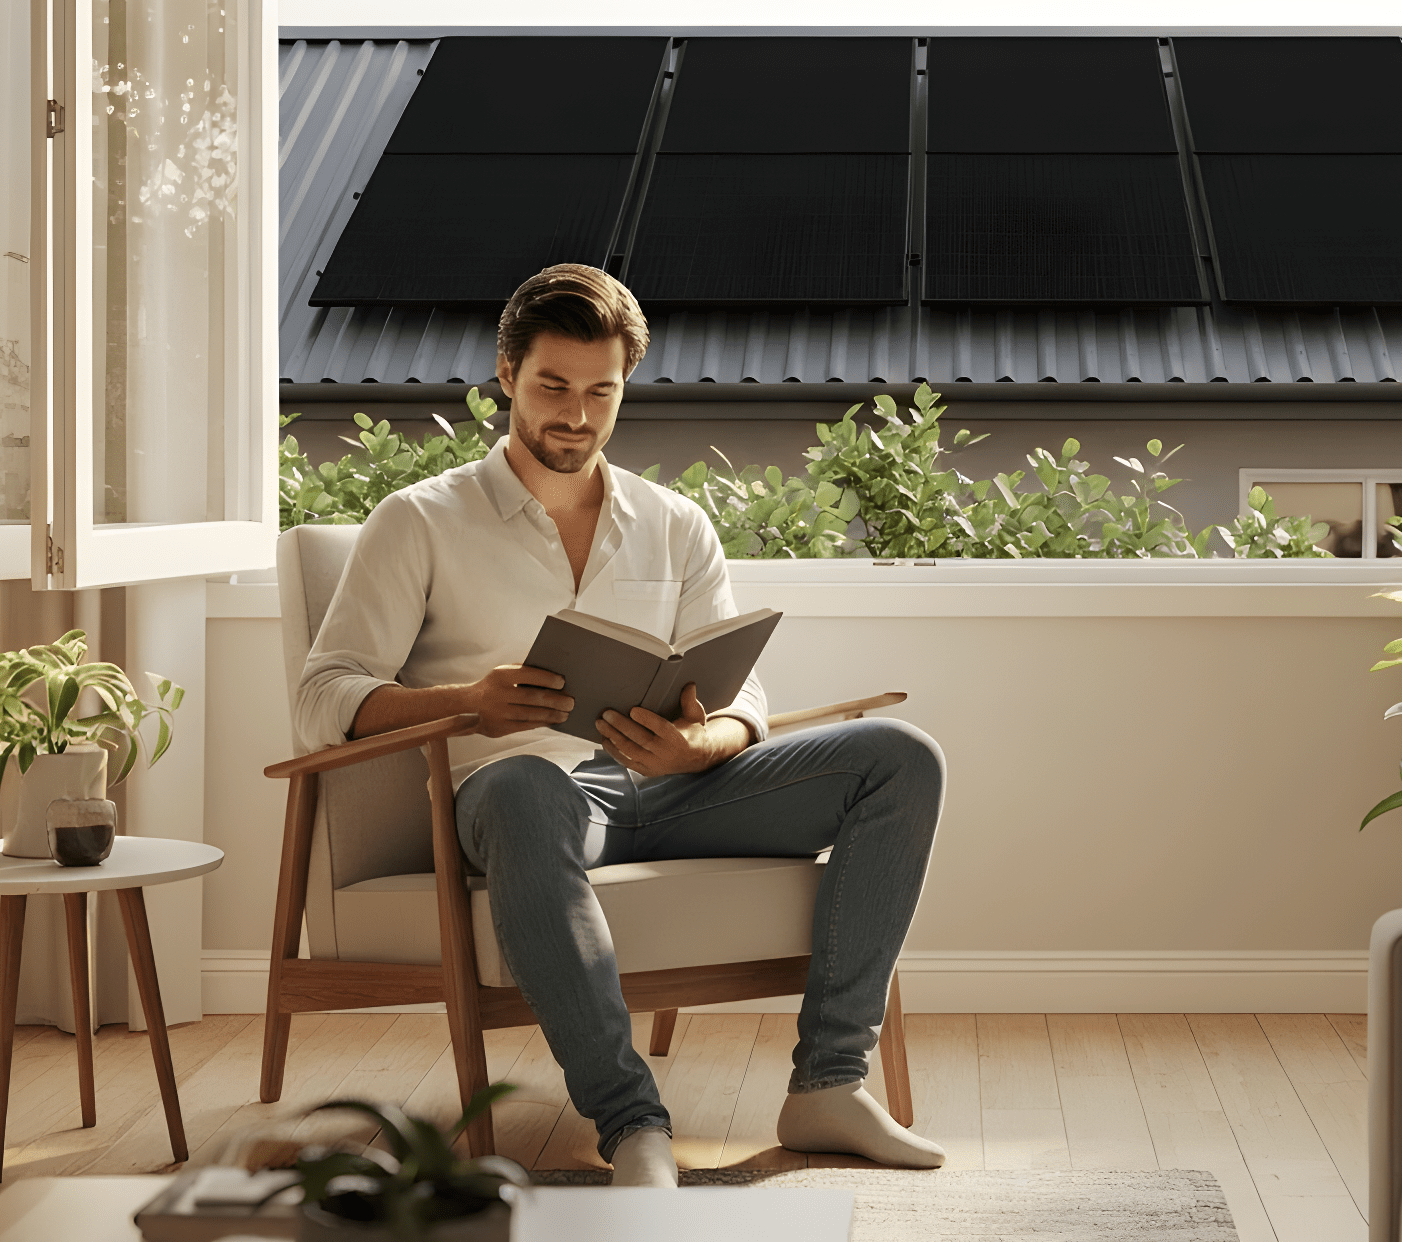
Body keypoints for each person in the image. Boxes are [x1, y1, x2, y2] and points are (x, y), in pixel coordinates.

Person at [292, 264, 947, 1187]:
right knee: (526, 783)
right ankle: (631, 1121)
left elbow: (741, 689)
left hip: (672, 785)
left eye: (600, 392)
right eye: (553, 386)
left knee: (900, 758)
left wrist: (704, 742)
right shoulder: (419, 521)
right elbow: (324, 693)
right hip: (522, 797)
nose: (576, 414)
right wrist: (466, 703)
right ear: (506, 372)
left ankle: (828, 1086)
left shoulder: (672, 522)